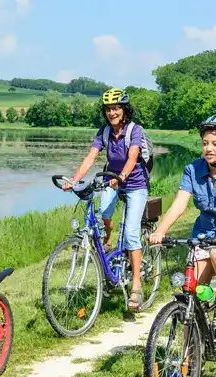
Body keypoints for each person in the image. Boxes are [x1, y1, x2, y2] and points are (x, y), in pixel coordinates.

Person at [149, 115, 216, 333]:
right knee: (193, 296)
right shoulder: (193, 169)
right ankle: (188, 360)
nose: (209, 148)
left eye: (215, 144)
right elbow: (179, 204)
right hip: (204, 234)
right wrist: (160, 231)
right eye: (205, 143)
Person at [62, 89, 150, 313]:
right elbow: (91, 157)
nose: (112, 112)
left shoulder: (134, 130)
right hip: (111, 179)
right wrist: (74, 180)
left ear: (124, 110)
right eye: (108, 109)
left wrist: (122, 178)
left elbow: (132, 158)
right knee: (103, 217)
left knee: (130, 233)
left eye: (116, 108)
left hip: (135, 184)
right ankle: (109, 242)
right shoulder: (104, 132)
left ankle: (137, 285)